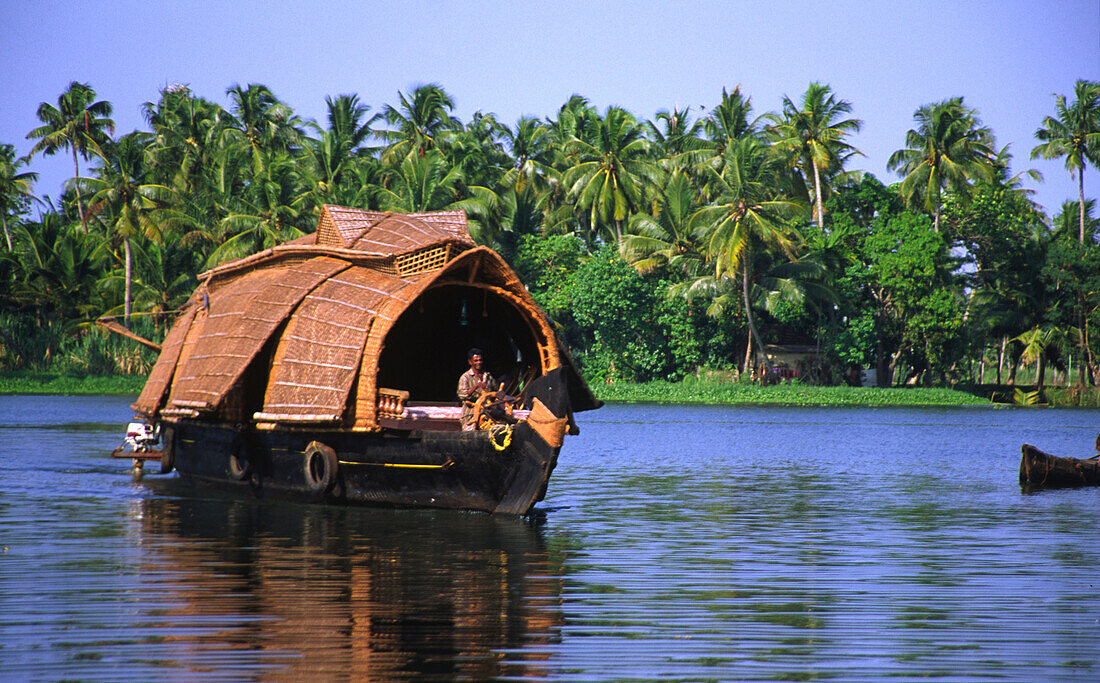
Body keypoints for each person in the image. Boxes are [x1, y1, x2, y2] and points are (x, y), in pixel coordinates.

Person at [458, 348, 497, 430]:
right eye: (475, 361)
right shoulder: (465, 377)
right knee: (470, 432)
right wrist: (476, 386)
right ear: (470, 362)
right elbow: (462, 395)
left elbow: (496, 392)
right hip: (471, 412)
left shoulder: (488, 376)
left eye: (480, 360)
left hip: (488, 412)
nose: (478, 362)